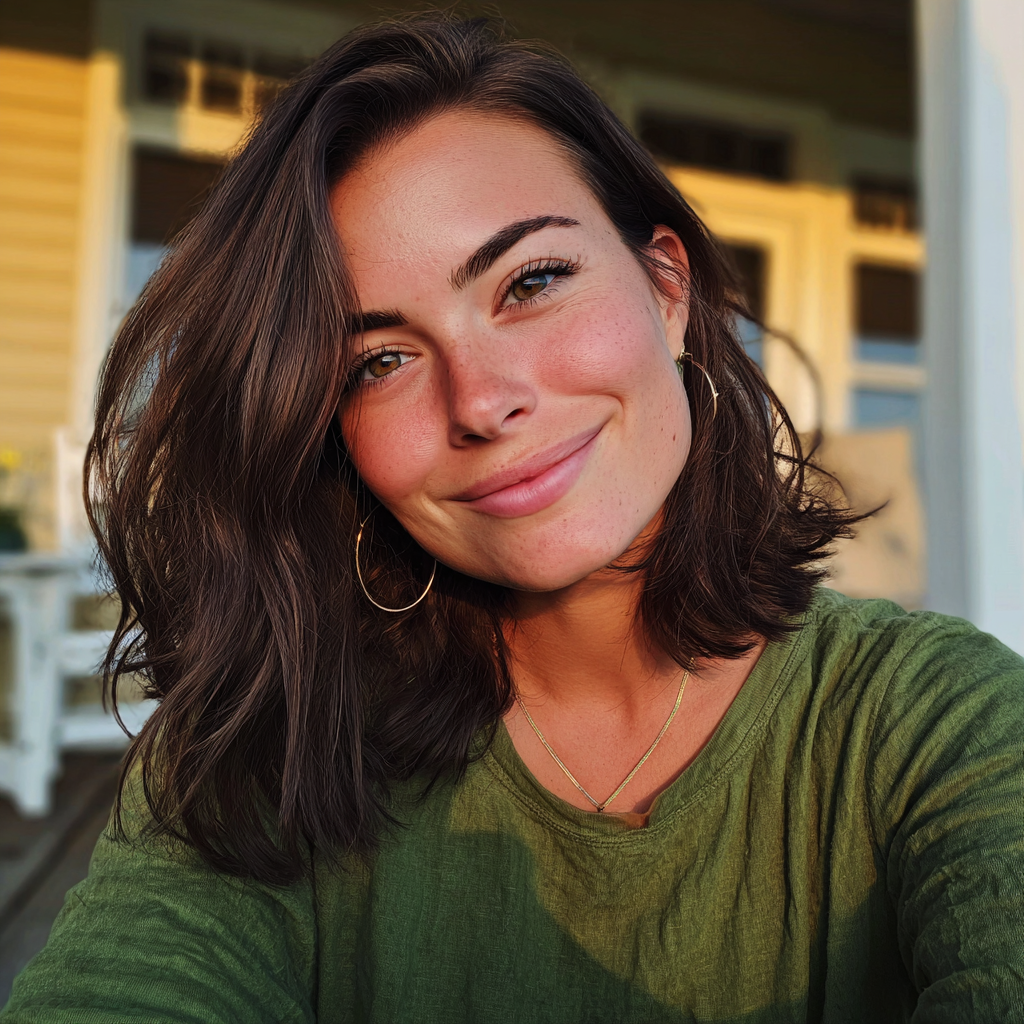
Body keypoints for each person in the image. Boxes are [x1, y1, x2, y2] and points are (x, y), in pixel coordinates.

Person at [3, 15, 1023, 1024]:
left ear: (666, 288)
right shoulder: (267, 750)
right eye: (380, 361)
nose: (481, 401)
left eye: (530, 282)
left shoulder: (933, 722)